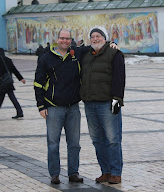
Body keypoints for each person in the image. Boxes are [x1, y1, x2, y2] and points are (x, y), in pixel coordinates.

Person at [34, 29, 86, 185]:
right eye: (62, 38)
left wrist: (111, 44)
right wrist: (41, 105)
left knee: (74, 143)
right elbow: (38, 83)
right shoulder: (46, 58)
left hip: (73, 108)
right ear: (57, 39)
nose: (64, 41)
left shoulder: (76, 54)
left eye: (67, 38)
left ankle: (73, 173)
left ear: (71, 40)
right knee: (53, 143)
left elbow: (95, 46)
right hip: (54, 107)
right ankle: (55, 174)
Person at [79, 27, 126, 184]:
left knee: (113, 139)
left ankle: (116, 172)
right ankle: (105, 171)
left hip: (107, 103)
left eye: (98, 36)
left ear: (105, 38)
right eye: (92, 36)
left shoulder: (114, 53)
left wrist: (117, 101)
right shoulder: (86, 55)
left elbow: (120, 78)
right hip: (90, 104)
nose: (95, 38)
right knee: (97, 140)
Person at [0, 48, 25, 119]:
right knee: (7, 97)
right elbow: (14, 70)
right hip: (9, 82)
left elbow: (0, 70)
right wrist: (21, 78)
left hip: (3, 82)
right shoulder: (8, 59)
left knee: (4, 97)